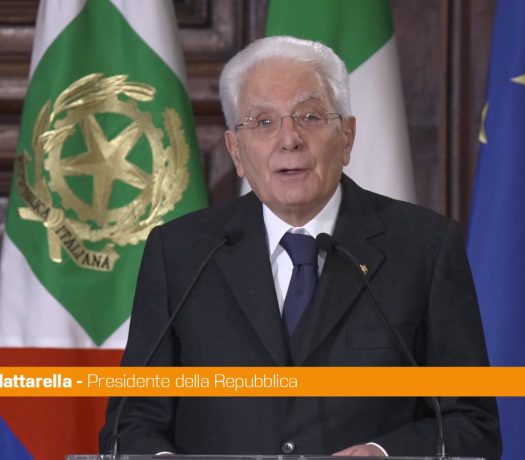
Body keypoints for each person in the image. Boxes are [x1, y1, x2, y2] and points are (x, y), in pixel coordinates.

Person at [100, 36, 501, 458]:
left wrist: (383, 453)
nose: (289, 139)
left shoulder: (423, 248)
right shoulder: (182, 253)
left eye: (310, 116)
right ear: (236, 151)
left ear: (346, 137)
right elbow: (131, 421)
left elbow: (471, 423)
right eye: (263, 122)